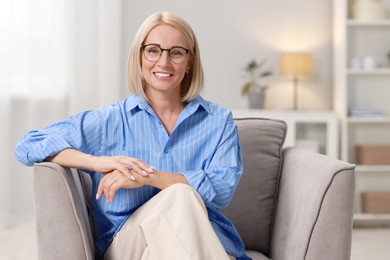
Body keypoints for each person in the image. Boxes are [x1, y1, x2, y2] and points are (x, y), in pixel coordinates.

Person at [15, 12, 250, 260]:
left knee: (179, 200)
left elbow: (222, 188)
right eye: (153, 50)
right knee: (181, 194)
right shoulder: (110, 121)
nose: (164, 62)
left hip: (201, 241)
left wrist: (149, 177)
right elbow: (28, 145)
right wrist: (100, 162)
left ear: (189, 62)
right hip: (128, 244)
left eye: (176, 52)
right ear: (139, 57)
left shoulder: (217, 121)